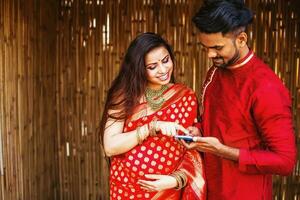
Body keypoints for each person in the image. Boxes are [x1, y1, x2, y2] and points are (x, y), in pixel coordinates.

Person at [181, 0, 297, 200]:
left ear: (241, 39)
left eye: (217, 47)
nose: (210, 54)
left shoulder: (266, 88)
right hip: (211, 189)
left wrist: (222, 151)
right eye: (205, 47)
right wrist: (199, 129)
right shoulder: (216, 70)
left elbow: (285, 161)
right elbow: (222, 122)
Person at [100, 32, 206, 200]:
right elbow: (110, 146)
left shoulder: (185, 96)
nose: (163, 70)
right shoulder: (124, 96)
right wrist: (151, 127)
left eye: (165, 60)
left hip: (169, 190)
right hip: (127, 189)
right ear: (138, 68)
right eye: (152, 67)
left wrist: (175, 180)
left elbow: (192, 151)